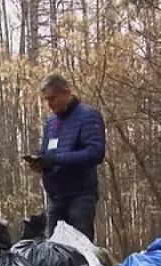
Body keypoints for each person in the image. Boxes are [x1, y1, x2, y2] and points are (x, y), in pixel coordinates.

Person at [25, 74, 106, 242]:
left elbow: (95, 153)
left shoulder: (88, 116)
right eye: (46, 100)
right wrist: (40, 162)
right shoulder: (51, 122)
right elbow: (47, 151)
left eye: (53, 99)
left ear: (66, 92)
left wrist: (55, 160)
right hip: (55, 197)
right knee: (54, 251)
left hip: (80, 195)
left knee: (79, 250)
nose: (49, 104)